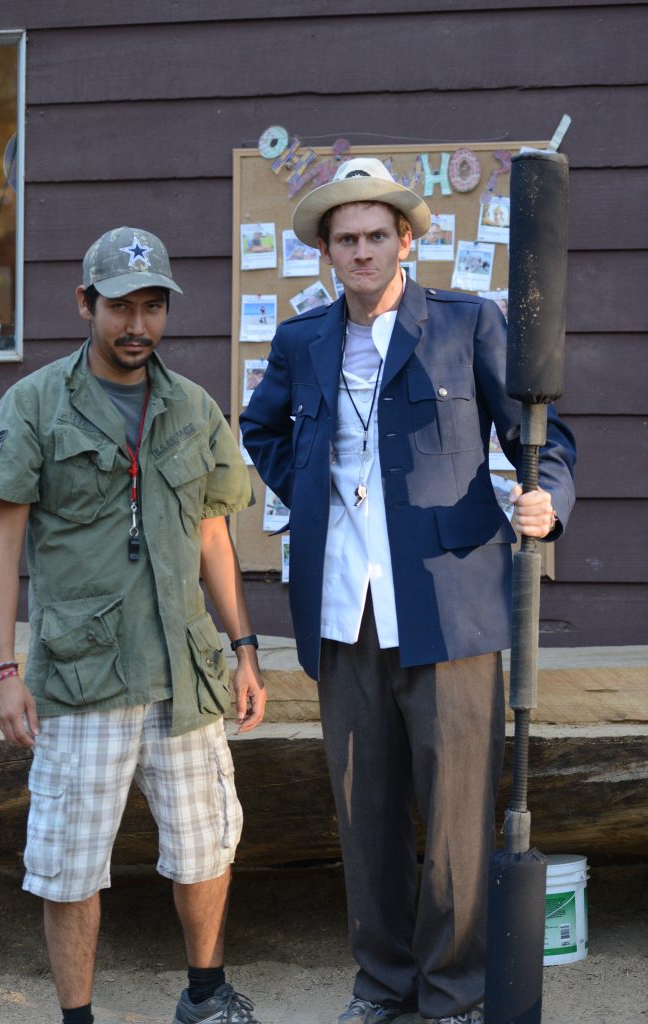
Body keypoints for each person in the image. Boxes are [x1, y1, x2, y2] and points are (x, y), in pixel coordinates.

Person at [240, 159, 576, 1024]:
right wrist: (311, 495)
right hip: (341, 609)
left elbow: (545, 435)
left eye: (375, 235)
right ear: (325, 251)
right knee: (366, 817)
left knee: (457, 823)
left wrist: (548, 501)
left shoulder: (467, 324)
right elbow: (262, 429)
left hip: (450, 606)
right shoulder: (300, 340)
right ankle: (382, 986)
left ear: (406, 240)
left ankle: (453, 992)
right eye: (344, 239)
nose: (360, 250)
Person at [0, 226, 267, 1024]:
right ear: (85, 304)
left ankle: (205, 996)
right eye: (119, 307)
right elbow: (3, 543)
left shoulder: (194, 408)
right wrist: (3, 670)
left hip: (186, 669)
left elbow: (214, 535)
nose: (136, 324)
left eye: (151, 306)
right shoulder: (34, 403)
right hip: (81, 676)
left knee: (206, 844)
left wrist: (243, 648)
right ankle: (78, 1018)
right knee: (70, 867)